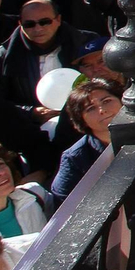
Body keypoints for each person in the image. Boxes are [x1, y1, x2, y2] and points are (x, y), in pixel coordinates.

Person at [0, 0, 102, 171]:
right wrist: (31, 112)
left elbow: (109, 78)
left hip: (87, 121)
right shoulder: (2, 56)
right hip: (31, 134)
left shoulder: (87, 43)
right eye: (29, 24)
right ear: (20, 24)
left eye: (45, 22)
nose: (38, 29)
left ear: (58, 20)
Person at [50, 78, 121, 206]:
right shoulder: (75, 158)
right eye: (90, 108)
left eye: (107, 101)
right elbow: (64, 203)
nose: (102, 110)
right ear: (81, 119)